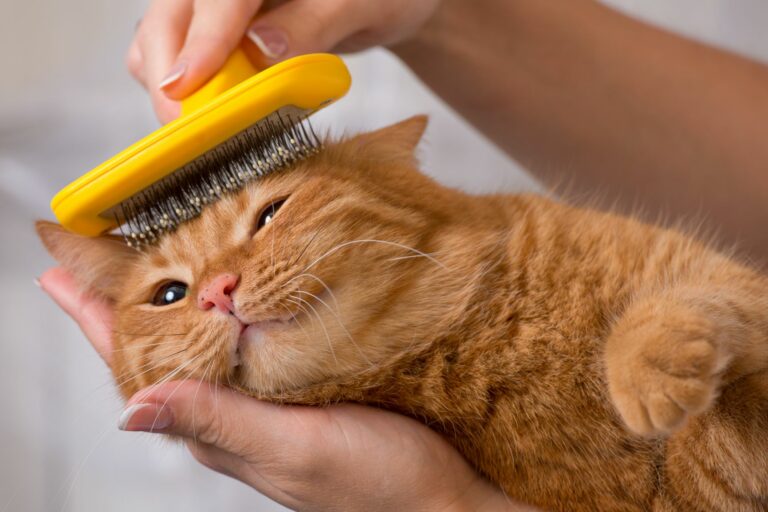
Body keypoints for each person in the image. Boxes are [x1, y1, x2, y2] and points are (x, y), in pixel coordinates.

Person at [39, 0, 768, 510]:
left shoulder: (540, 250)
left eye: (269, 215)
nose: (220, 289)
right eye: (169, 294)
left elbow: (718, 300)